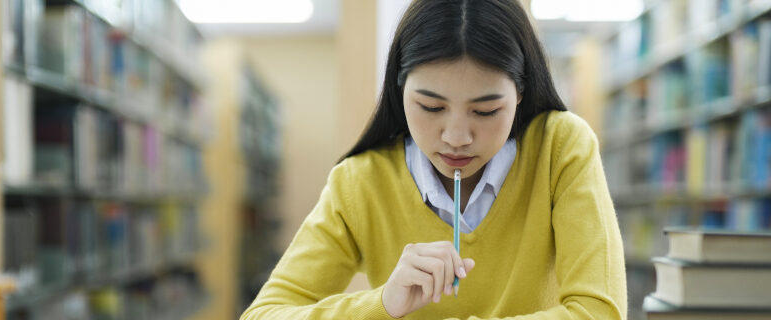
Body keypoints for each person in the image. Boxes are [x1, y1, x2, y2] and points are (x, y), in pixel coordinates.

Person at [240, 0, 627, 318]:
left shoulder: (560, 148)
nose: (456, 137)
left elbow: (600, 311)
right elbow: (265, 314)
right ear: (399, 87)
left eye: (486, 111)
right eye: (430, 106)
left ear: (522, 93)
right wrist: (382, 304)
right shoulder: (360, 181)